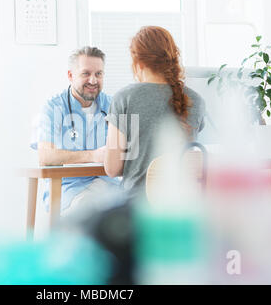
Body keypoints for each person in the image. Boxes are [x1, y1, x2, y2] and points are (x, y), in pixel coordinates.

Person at [104, 26, 206, 200]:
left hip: (137, 208)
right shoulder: (196, 100)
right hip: (183, 207)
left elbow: (112, 168)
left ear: (139, 62)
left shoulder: (124, 98)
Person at [31, 46, 121, 214]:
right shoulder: (53, 107)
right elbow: (45, 157)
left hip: (110, 185)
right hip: (69, 189)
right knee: (90, 212)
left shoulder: (113, 105)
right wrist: (93, 155)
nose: (93, 80)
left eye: (99, 74)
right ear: (70, 75)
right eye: (86, 73)